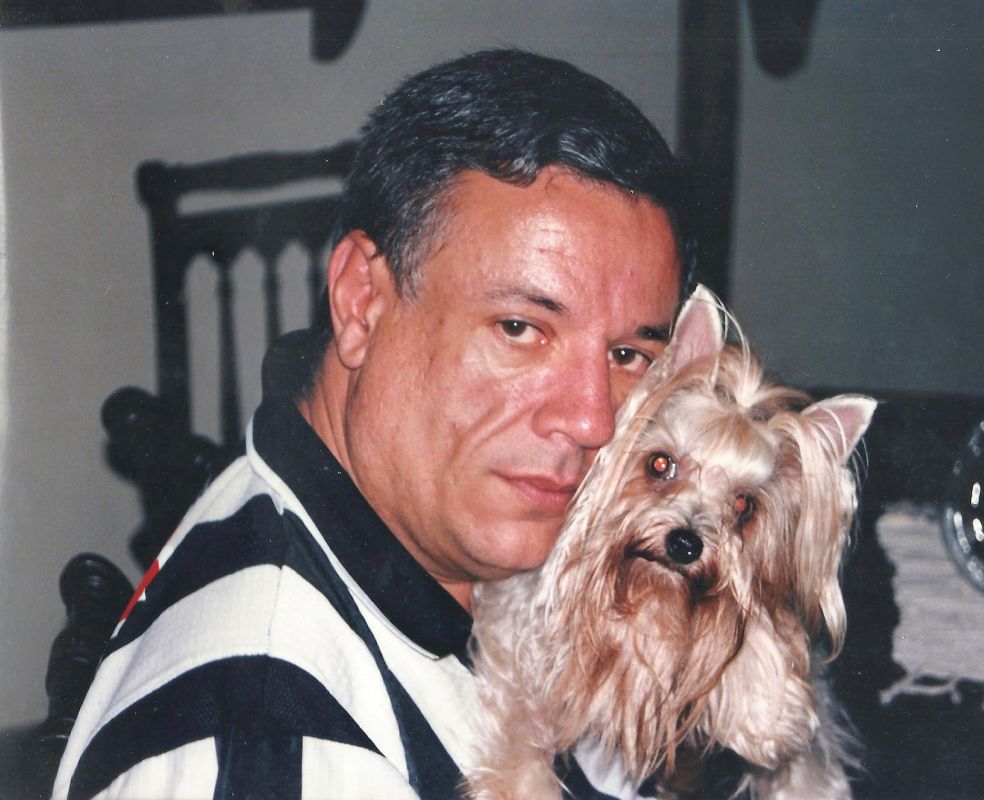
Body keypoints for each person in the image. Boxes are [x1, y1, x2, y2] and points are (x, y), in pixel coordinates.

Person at [52, 49, 695, 800]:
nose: (591, 419)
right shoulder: (285, 739)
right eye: (520, 328)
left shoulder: (438, 542)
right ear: (361, 301)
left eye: (628, 355)